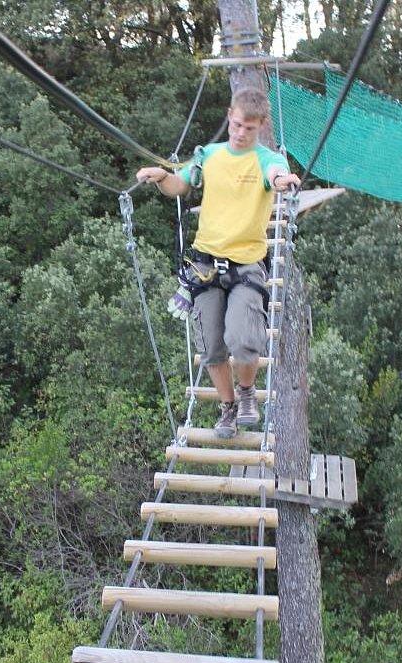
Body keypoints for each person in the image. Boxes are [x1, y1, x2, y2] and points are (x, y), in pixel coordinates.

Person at [136, 87, 300, 438]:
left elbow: (275, 175)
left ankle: (245, 395)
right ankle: (227, 408)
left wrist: (284, 182)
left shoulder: (266, 159)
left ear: (261, 127)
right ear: (229, 116)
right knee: (211, 347)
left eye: (249, 129)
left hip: (246, 267)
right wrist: (163, 177)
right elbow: (182, 184)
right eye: (237, 125)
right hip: (205, 264)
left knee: (242, 340)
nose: (241, 134)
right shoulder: (207, 155)